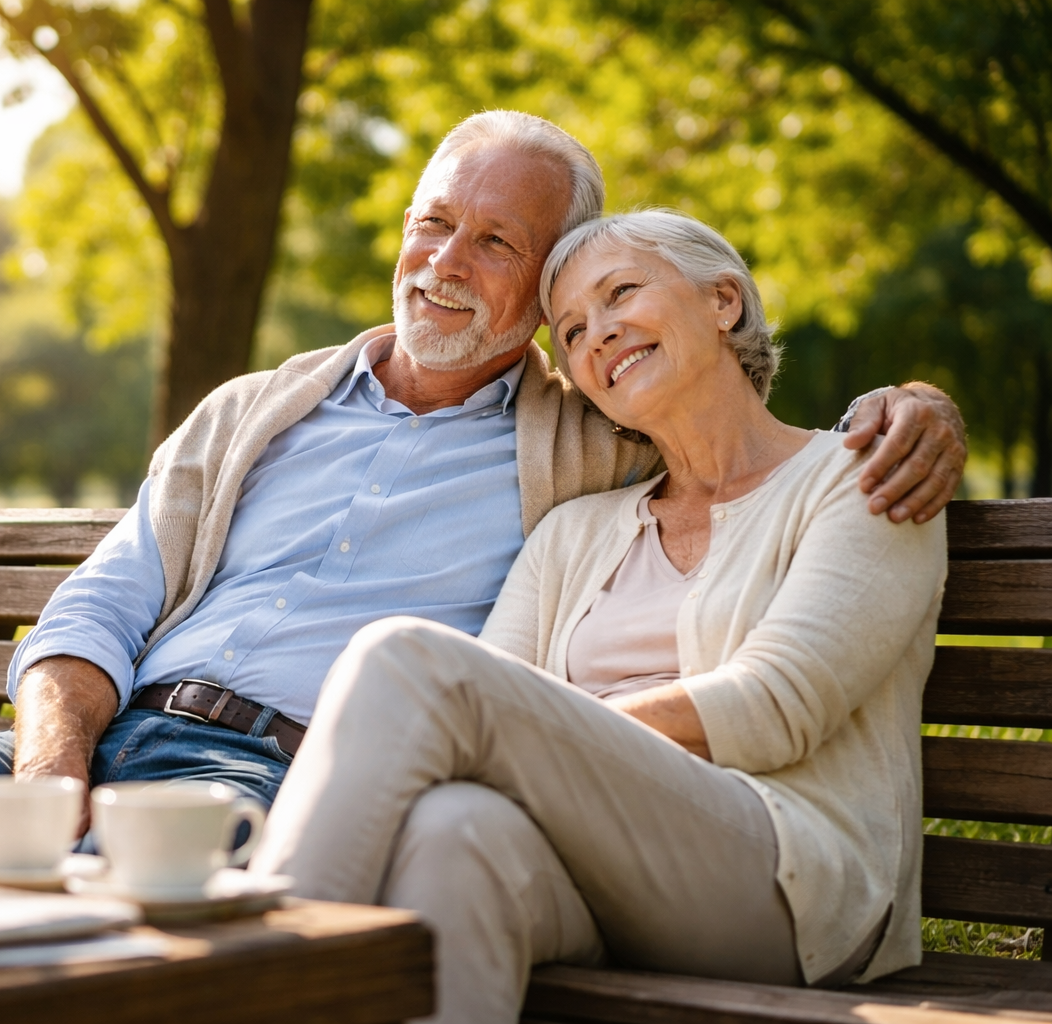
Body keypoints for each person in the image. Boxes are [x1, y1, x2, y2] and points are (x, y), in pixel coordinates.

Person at [0, 112, 965, 848]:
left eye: (497, 246)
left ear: (548, 304)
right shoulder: (251, 411)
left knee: (108, 913)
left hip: (278, 785)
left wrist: (920, 407)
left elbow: (733, 427)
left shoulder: (589, 437)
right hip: (87, 747)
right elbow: (101, 604)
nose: (444, 265)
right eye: (434, 224)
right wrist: (50, 765)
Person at [248, 209, 948, 1023]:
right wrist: (546, 736)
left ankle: (249, 989)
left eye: (622, 294)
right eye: (574, 331)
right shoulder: (571, 533)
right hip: (608, 875)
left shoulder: (866, 476)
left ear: (723, 301)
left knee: (406, 659)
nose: (600, 335)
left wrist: (557, 732)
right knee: (455, 828)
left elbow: (777, 708)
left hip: (793, 880)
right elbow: (506, 723)